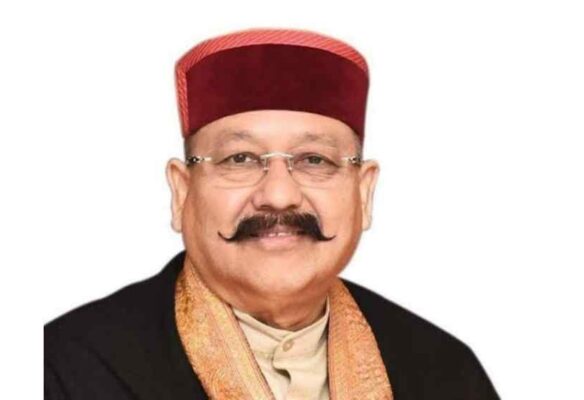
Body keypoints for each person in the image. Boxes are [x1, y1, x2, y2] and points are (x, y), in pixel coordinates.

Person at [44, 27, 501, 400]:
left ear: (364, 192)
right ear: (182, 192)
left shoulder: (444, 371)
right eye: (240, 159)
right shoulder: (68, 367)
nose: (279, 196)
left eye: (314, 160)